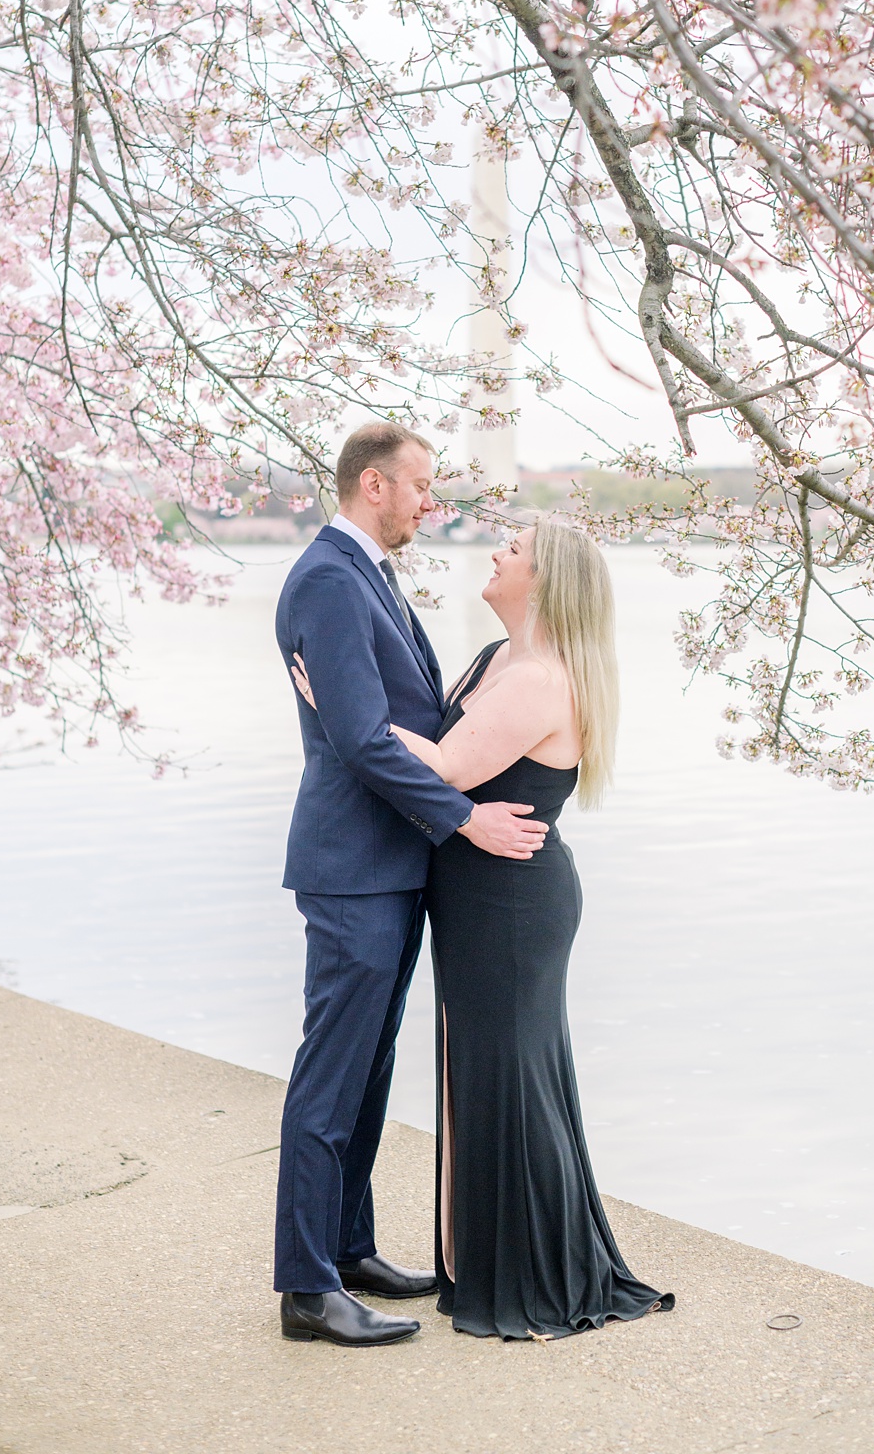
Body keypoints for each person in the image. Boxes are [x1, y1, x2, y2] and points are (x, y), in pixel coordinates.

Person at [292, 516, 672, 1340]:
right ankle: (493, 1259)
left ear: (542, 581)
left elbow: (446, 766)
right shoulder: (500, 658)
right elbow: (440, 738)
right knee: (484, 1076)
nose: (496, 553)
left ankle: (533, 1271)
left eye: (514, 550)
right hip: (474, 891)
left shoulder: (540, 678)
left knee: (510, 1075)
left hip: (511, 900)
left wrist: (339, 707)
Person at [271, 424, 546, 1348]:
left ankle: (348, 1250)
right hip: (354, 867)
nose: (434, 503)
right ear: (375, 485)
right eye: (423, 487)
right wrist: (466, 817)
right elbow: (359, 735)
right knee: (331, 1076)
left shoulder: (368, 576)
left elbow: (407, 715)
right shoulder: (326, 578)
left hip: (388, 863)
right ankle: (308, 1289)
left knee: (370, 1072)